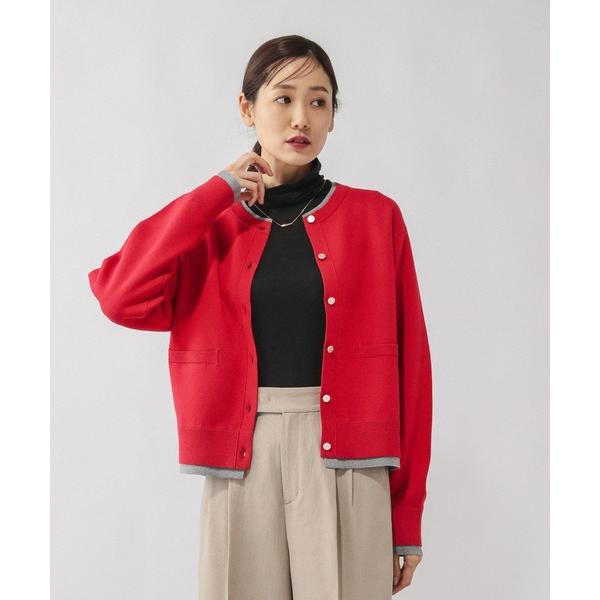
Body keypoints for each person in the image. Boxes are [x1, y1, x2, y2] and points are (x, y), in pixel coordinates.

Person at [88, 35, 432, 599]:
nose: (301, 118)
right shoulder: (210, 226)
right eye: (283, 98)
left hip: (351, 462)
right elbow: (119, 294)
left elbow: (412, 371)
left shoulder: (377, 218)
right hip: (241, 460)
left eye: (319, 101)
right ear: (247, 108)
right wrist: (216, 192)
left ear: (333, 116)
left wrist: (407, 515)